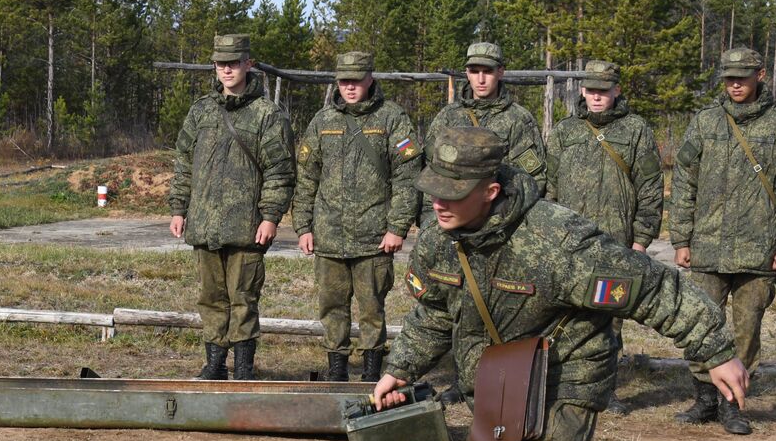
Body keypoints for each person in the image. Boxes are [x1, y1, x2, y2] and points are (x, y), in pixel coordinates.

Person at [373, 126, 748, 441]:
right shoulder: (441, 241)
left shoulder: (559, 241)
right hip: (503, 382)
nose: (438, 202)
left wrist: (717, 351)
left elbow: (656, 290)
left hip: (566, 376)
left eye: (452, 192)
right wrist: (400, 368)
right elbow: (435, 313)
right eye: (434, 189)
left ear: (490, 190)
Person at [669, 47, 776, 435]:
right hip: (707, 247)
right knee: (700, 324)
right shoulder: (705, 122)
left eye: (742, 77)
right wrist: (681, 237)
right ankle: (703, 398)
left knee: (747, 330)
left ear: (760, 76)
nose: (735, 84)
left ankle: (733, 404)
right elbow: (684, 181)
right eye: (729, 78)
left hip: (759, 251)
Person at [168, 34, 296, 380]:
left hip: (247, 227)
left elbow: (280, 172)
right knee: (211, 299)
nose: (226, 69)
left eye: (234, 62)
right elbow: (184, 163)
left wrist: (270, 217)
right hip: (205, 224)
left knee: (243, 300)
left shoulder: (268, 115)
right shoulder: (201, 111)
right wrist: (179, 208)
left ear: (248, 65)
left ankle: (243, 368)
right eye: (220, 63)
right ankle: (214, 365)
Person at [293, 51, 422, 382]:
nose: (350, 87)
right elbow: (307, 177)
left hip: (374, 238)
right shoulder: (322, 122)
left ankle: (371, 375)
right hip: (329, 237)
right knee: (331, 310)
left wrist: (397, 228)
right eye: (344, 81)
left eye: (356, 80)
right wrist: (303, 226)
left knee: (371, 311)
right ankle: (336, 373)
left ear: (370, 79)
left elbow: (408, 178)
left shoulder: (392, 119)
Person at [544, 59, 664, 415]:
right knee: (562, 317)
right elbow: (549, 189)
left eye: (604, 90)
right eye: (591, 90)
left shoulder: (636, 131)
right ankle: (560, 386)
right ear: (582, 91)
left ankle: (606, 389)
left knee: (610, 320)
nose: (597, 97)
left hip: (615, 244)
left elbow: (651, 188)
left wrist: (640, 240)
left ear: (617, 91)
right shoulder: (565, 132)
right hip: (568, 244)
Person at [424, 41, 546, 220]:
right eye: (474, 71)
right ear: (467, 73)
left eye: (487, 71)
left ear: (500, 72)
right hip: (452, 217)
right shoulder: (448, 117)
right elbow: (430, 170)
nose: (480, 79)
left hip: (497, 221)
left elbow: (534, 179)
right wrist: (431, 217)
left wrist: (503, 216)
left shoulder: (518, 119)